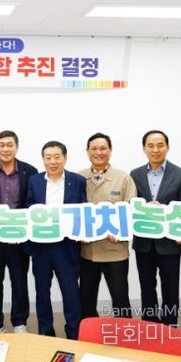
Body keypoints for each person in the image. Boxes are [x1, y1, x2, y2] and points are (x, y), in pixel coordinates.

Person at [0, 130, 37, 333]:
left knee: (19, 281)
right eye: (1, 145)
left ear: (16, 147)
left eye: (9, 145)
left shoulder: (30, 171)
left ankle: (20, 322)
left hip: (20, 238)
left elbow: (32, 203)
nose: (5, 149)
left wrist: (23, 230)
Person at [25, 141, 87, 339]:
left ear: (65, 158)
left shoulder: (77, 181)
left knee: (71, 292)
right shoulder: (34, 181)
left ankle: (74, 332)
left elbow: (83, 209)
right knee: (42, 291)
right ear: (43, 160)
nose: (52, 161)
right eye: (48, 157)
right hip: (40, 246)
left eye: (57, 157)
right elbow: (29, 207)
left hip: (67, 246)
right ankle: (45, 330)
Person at [130, 130, 181, 326]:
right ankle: (150, 326)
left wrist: (165, 212)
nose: (155, 150)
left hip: (170, 243)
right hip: (143, 243)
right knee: (147, 288)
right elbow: (131, 206)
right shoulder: (135, 174)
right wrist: (145, 208)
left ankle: (169, 328)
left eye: (160, 145)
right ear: (144, 148)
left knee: (170, 290)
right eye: (151, 145)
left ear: (167, 147)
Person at [78, 132, 136, 319]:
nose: (98, 152)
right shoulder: (78, 178)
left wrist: (121, 231)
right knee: (86, 299)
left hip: (115, 251)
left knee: (120, 298)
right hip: (87, 252)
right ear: (87, 152)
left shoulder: (123, 178)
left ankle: (125, 332)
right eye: (94, 148)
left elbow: (131, 212)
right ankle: (89, 332)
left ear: (110, 151)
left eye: (103, 148)